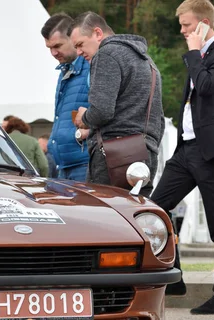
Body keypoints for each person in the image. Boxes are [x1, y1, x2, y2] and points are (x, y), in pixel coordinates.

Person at [152, 0, 214, 314]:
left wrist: (194, 51)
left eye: (187, 25)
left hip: (211, 151)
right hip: (186, 150)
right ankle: (174, 278)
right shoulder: (199, 56)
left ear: (203, 24)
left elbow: (205, 86)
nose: (182, 31)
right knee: (154, 208)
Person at [70, 12, 164, 197]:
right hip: (146, 155)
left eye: (80, 44)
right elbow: (158, 119)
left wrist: (84, 117)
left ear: (98, 33)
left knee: (104, 220)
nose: (79, 53)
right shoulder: (147, 61)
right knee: (136, 220)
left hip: (113, 156)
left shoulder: (106, 54)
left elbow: (101, 111)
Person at [41, 13, 90, 182]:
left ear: (73, 37)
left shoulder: (93, 67)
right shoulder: (65, 71)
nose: (53, 53)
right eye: (49, 48)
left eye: (57, 46)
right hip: (63, 166)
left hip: (85, 164)